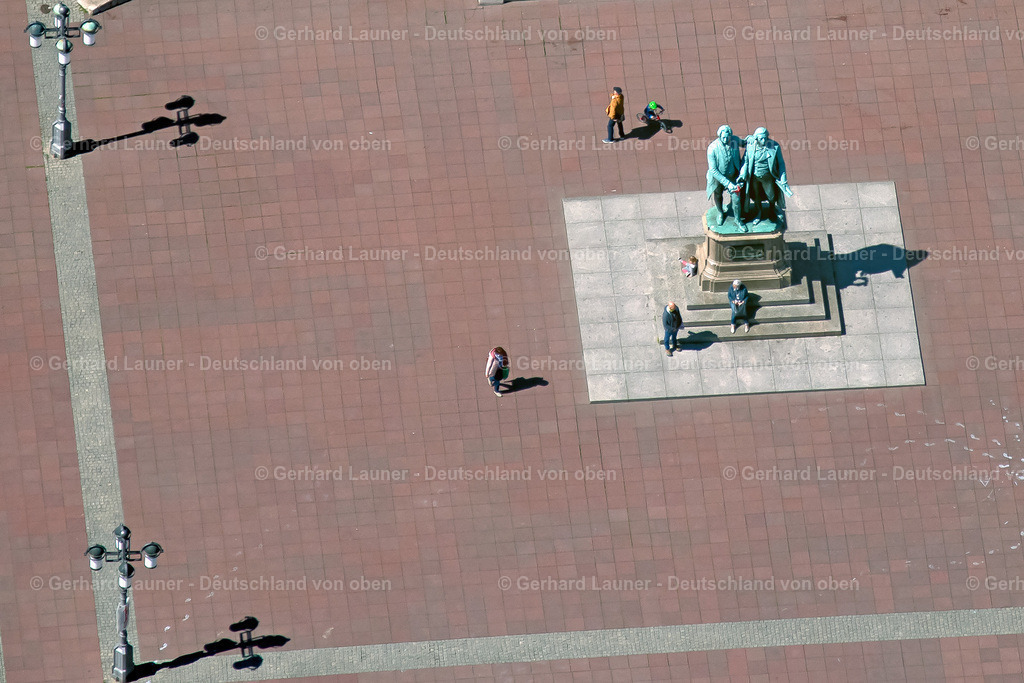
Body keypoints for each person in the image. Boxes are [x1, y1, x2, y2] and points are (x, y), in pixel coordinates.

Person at [738, 127, 793, 226]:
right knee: (756, 196)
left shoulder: (774, 146)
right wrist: (742, 174)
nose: (763, 141)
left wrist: (783, 178)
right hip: (754, 177)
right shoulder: (750, 146)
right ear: (756, 138)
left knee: (771, 195)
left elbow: (781, 163)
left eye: (765, 138)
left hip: (768, 177)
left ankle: (772, 210)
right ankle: (759, 212)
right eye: (761, 139)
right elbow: (745, 161)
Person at [706, 124, 744, 227]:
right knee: (718, 195)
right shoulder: (712, 148)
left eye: (727, 137)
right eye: (723, 137)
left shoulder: (735, 140)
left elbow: (745, 143)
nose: (725, 139)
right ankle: (720, 212)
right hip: (718, 178)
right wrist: (727, 183)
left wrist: (755, 139)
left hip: (733, 175)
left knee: (736, 198)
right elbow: (713, 170)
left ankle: (737, 219)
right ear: (719, 136)